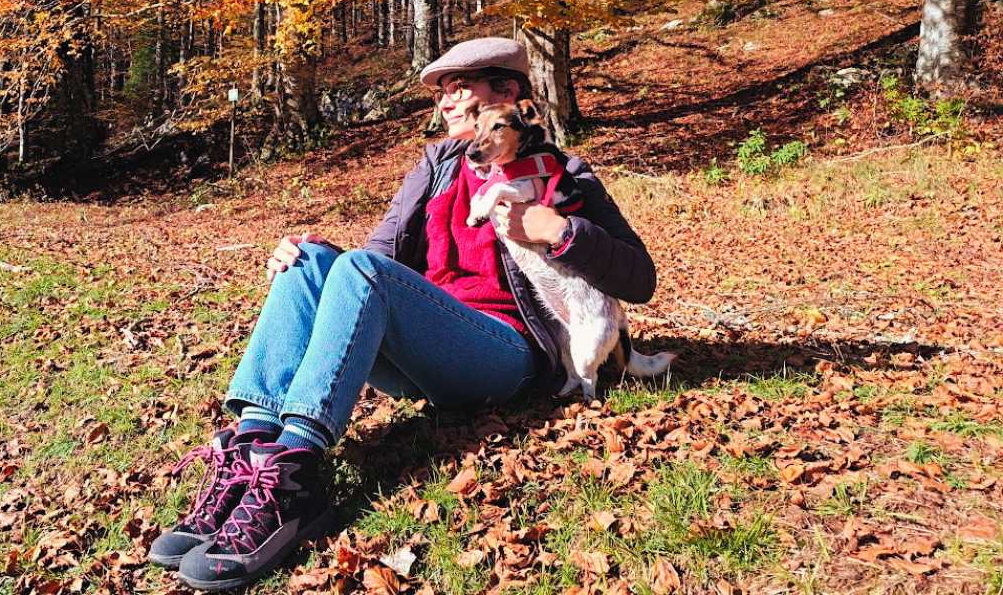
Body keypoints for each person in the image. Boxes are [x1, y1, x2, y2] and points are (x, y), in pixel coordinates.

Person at [149, 37, 657, 591]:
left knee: (354, 268)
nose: (443, 104)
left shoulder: (562, 172)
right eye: (441, 93)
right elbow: (377, 259)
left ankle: (296, 476)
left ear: (505, 96)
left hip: (506, 351)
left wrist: (561, 233)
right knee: (309, 259)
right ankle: (251, 456)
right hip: (428, 340)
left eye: (458, 90)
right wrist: (312, 259)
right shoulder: (437, 165)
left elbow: (639, 278)